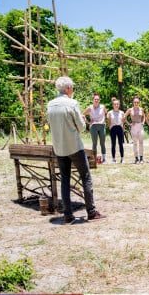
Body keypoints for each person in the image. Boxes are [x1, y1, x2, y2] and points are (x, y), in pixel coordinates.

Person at [46, 76, 105, 224]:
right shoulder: (72, 104)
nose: (72, 89)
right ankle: (91, 211)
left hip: (59, 147)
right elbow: (81, 127)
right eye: (72, 87)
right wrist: (83, 122)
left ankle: (67, 214)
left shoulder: (50, 105)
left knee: (64, 180)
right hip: (74, 146)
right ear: (68, 89)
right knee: (85, 177)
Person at [83, 92, 107, 164]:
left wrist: (104, 120)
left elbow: (106, 113)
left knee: (102, 143)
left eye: (98, 99)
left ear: (99, 100)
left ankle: (104, 159)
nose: (96, 100)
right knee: (94, 143)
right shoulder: (90, 107)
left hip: (102, 126)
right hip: (93, 126)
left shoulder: (102, 107)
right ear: (93, 100)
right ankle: (94, 158)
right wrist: (87, 122)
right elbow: (82, 114)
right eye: (95, 99)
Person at [124, 96, 145, 164]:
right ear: (133, 103)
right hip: (134, 126)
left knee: (141, 142)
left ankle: (141, 157)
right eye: (135, 102)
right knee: (135, 143)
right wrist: (129, 123)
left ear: (139, 103)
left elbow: (144, 116)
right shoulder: (130, 110)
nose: (136, 103)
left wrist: (143, 122)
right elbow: (124, 117)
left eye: (137, 102)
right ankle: (136, 158)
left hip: (140, 126)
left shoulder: (141, 109)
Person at [107, 98, 125, 163]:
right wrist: (110, 127)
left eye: (117, 104)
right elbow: (108, 121)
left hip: (120, 128)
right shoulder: (110, 112)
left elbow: (123, 121)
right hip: (113, 128)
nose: (116, 105)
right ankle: (113, 158)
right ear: (113, 105)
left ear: (119, 105)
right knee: (113, 144)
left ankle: (122, 158)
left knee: (120, 144)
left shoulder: (122, 112)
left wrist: (123, 127)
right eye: (115, 104)